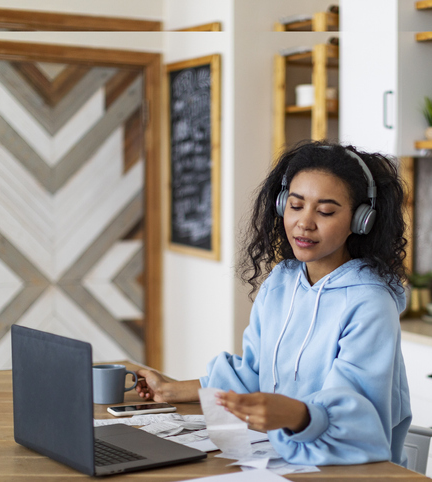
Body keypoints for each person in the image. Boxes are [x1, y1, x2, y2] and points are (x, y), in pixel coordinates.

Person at [136, 141, 412, 466]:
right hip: (277, 459)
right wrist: (168, 390)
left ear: (361, 220)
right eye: (295, 206)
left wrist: (297, 415)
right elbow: (253, 375)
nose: (304, 223)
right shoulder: (281, 283)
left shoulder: (370, 302)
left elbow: (361, 422)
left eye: (325, 211)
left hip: (345, 469)